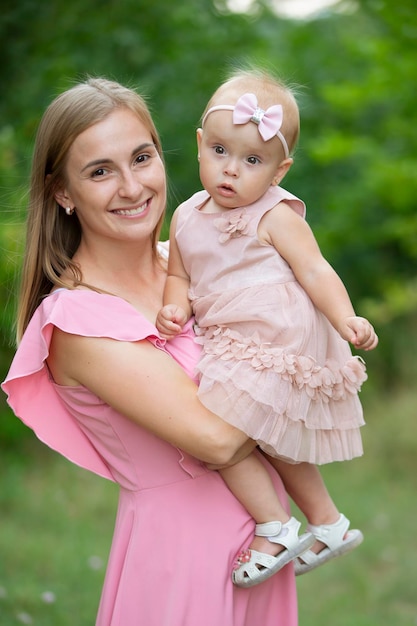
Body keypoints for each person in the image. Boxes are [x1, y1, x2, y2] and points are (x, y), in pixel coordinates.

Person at [1, 78, 299, 625]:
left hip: (264, 550)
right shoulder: (77, 321)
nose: (132, 187)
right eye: (99, 171)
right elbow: (218, 437)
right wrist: (303, 354)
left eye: (142, 157)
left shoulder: (196, 267)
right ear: (63, 192)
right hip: (182, 560)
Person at [156, 68, 379, 587]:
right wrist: (174, 308)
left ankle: (275, 526)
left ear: (280, 171)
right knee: (266, 440)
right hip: (228, 338)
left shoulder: (276, 214)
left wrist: (345, 317)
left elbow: (315, 270)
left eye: (251, 161)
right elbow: (179, 273)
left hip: (276, 339)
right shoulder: (186, 216)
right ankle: (329, 523)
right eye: (219, 151)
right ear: (198, 144)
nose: (230, 171)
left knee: (219, 425)